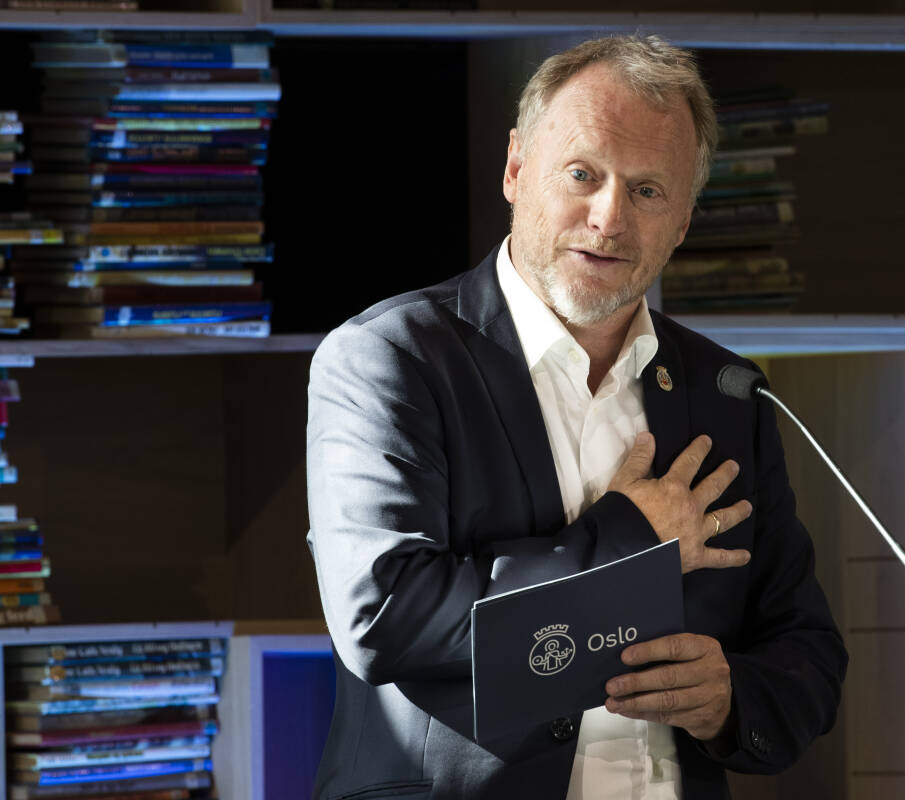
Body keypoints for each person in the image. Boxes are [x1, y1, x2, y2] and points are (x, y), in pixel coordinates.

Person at [306, 34, 847, 800]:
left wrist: (729, 696)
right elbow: (382, 617)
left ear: (685, 219)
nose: (609, 217)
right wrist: (630, 542)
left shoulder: (727, 393)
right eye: (582, 174)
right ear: (517, 168)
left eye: (649, 191)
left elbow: (809, 654)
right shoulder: (390, 359)